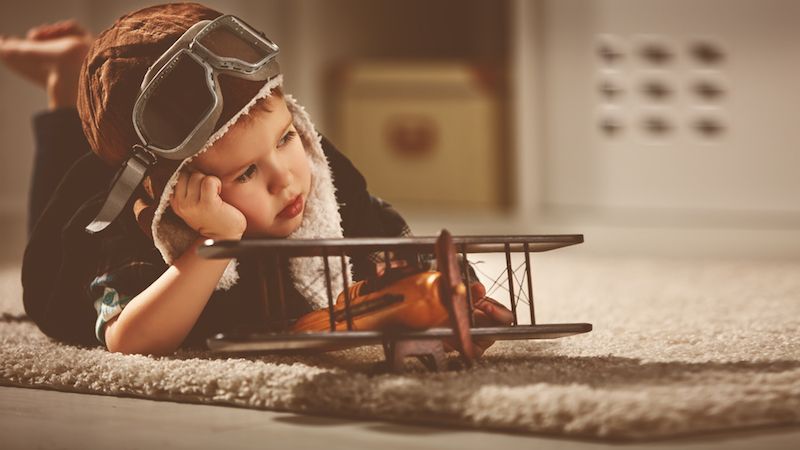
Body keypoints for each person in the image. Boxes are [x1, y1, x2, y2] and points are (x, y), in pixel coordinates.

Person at [2, 3, 512, 357]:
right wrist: (210, 244)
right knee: (60, 209)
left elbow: (395, 246)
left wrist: (454, 295)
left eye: (286, 139)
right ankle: (65, 86)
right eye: (246, 172)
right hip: (75, 255)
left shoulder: (316, 177)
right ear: (178, 194)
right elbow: (131, 341)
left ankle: (72, 76)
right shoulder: (137, 230)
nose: (285, 179)